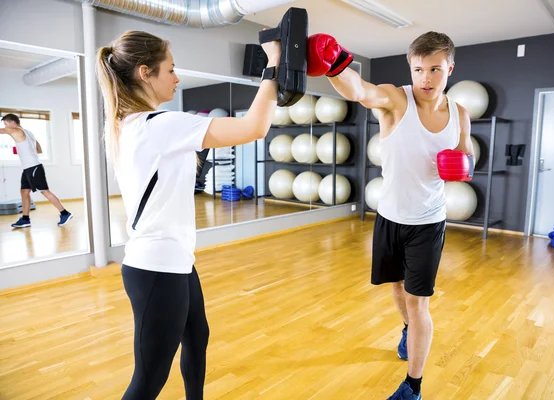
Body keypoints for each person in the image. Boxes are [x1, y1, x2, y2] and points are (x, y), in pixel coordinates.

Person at [95, 29, 281, 399]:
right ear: (145, 73)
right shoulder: (159, 124)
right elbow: (255, 127)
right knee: (148, 380)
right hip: (156, 268)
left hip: (174, 260)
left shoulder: (133, 126)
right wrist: (274, 64)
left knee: (197, 335)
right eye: (171, 70)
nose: (177, 78)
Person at [307, 31, 475, 399]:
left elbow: (465, 152)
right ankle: (406, 329)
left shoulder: (461, 113)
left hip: (428, 222)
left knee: (419, 303)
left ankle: (412, 387)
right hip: (390, 217)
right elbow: (359, 91)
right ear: (410, 68)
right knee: (398, 288)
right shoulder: (396, 100)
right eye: (418, 69)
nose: (426, 79)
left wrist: (465, 164)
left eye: (435, 69)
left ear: (450, 67)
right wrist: (335, 61)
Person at [0, 114, 73, 228]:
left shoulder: (16, 130)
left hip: (33, 167)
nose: (6, 127)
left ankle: (65, 213)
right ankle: (25, 219)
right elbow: (39, 150)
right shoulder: (28, 133)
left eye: (6, 124)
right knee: (24, 192)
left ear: (13, 123)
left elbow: (2, 131)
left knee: (45, 191)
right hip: (28, 168)